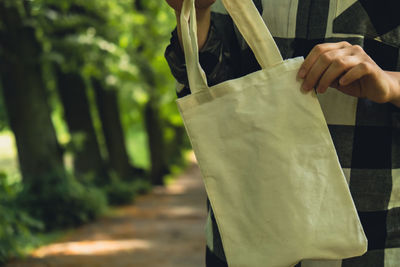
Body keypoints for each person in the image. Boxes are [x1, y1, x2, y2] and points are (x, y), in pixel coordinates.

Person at [164, 0, 400, 266]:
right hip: (247, 238)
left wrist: (392, 84)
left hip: (375, 242)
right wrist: (195, 12)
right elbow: (206, 90)